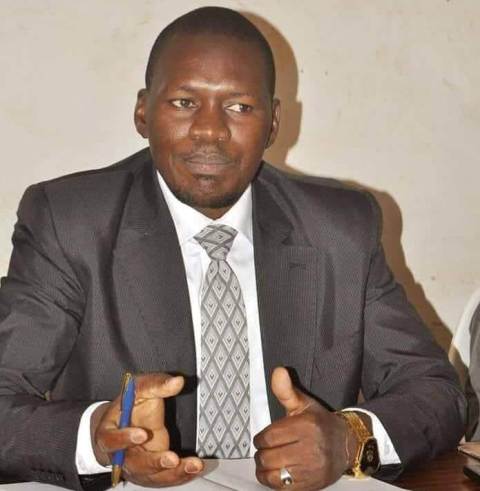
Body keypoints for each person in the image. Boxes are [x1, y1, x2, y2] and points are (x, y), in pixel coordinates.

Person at [0, 6, 465, 491]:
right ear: (142, 112)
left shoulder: (340, 231)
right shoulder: (70, 223)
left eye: (239, 107)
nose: (210, 130)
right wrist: (100, 439)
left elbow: (438, 393)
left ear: (274, 123)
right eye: (184, 102)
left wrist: (348, 438)